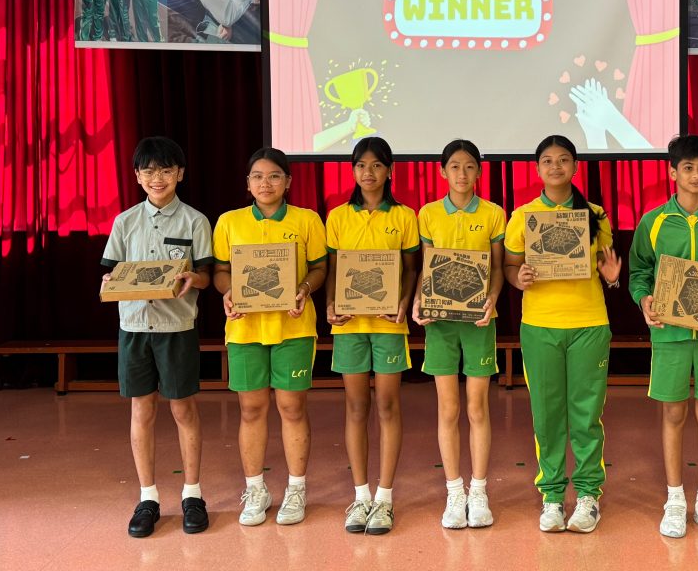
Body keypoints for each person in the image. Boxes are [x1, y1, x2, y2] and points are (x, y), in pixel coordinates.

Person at [628, 134, 698, 541]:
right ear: (672, 172)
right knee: (673, 414)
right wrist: (644, 300)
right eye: (688, 168)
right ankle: (675, 499)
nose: (696, 176)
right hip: (670, 336)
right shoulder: (653, 221)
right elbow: (640, 272)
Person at [503, 135, 622, 534]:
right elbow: (510, 266)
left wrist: (612, 277)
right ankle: (552, 496)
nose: (555, 167)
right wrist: (518, 278)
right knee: (547, 414)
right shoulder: (523, 216)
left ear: (575, 166)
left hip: (589, 323)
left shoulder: (596, 214)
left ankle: (588, 495)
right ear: (537, 169)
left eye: (563, 160)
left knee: (587, 414)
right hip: (540, 325)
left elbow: (607, 267)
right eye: (548, 161)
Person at [100, 136, 213, 538]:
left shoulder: (195, 221)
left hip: (176, 328)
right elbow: (111, 272)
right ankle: (147, 497)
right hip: (133, 327)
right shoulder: (124, 221)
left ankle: (192, 495)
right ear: (137, 176)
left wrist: (192, 278)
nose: (157, 178)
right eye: (148, 170)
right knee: (141, 410)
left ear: (180, 173)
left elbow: (206, 276)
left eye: (166, 170)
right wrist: (110, 283)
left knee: (183, 410)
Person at [213, 147, 328, 527]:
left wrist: (305, 289)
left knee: (292, 408)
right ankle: (256, 489)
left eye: (275, 175)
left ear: (288, 181)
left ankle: (296, 488)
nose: (266, 183)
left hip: (294, 326)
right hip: (245, 328)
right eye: (258, 176)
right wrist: (229, 291)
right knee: (251, 409)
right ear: (247, 183)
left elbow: (320, 267)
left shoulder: (307, 219)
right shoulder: (229, 222)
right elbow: (221, 271)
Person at [324, 136, 420, 535]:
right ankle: (360, 495)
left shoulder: (405, 216)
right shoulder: (337, 217)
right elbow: (333, 269)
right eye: (361, 165)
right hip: (350, 326)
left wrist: (404, 302)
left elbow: (411, 269)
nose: (369, 172)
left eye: (377, 165)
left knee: (388, 406)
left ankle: (385, 498)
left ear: (389, 170)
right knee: (355, 407)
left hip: (388, 324)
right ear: (352, 171)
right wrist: (331, 305)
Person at [412, 140, 505, 529]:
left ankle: (479, 490)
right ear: (442, 172)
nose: (462, 174)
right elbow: (426, 266)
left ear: (479, 171)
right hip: (441, 323)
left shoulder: (494, 213)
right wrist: (419, 300)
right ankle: (455, 492)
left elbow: (497, 268)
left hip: (479, 321)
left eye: (469, 166)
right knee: (448, 409)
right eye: (454, 166)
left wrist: (492, 298)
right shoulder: (429, 213)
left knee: (477, 407)